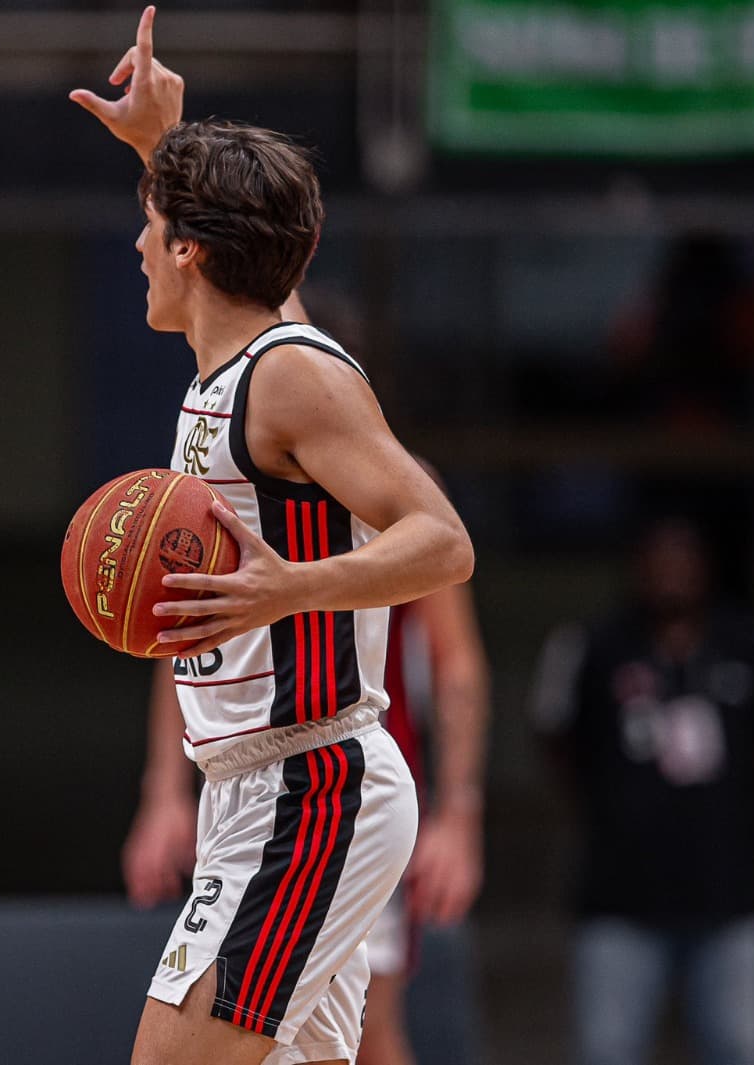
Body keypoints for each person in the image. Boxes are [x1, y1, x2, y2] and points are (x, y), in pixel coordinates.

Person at [72, 10, 475, 1065]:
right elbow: (249, 263)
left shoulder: (292, 374)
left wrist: (291, 585)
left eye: (152, 226)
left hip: (310, 790)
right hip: (260, 788)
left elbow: (443, 541)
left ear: (189, 250)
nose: (138, 246)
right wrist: (164, 145)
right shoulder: (247, 353)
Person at [530, 518, 754, 1065]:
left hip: (731, 900)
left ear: (708, 567)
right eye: (659, 559)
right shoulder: (593, 646)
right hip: (619, 901)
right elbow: (556, 739)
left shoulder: (752, 642)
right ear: (636, 568)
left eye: (684, 558)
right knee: (608, 1050)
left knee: (741, 1048)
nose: (671, 572)